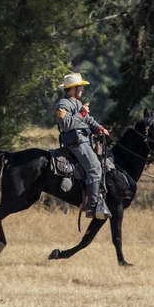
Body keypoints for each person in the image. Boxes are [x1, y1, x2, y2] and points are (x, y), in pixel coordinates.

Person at [55, 73, 110, 218]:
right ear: (73, 88)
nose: (82, 89)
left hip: (84, 140)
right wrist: (81, 113)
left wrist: (99, 128)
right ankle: (93, 207)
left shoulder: (77, 102)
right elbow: (66, 126)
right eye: (80, 87)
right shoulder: (62, 104)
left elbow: (89, 120)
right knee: (94, 167)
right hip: (75, 142)